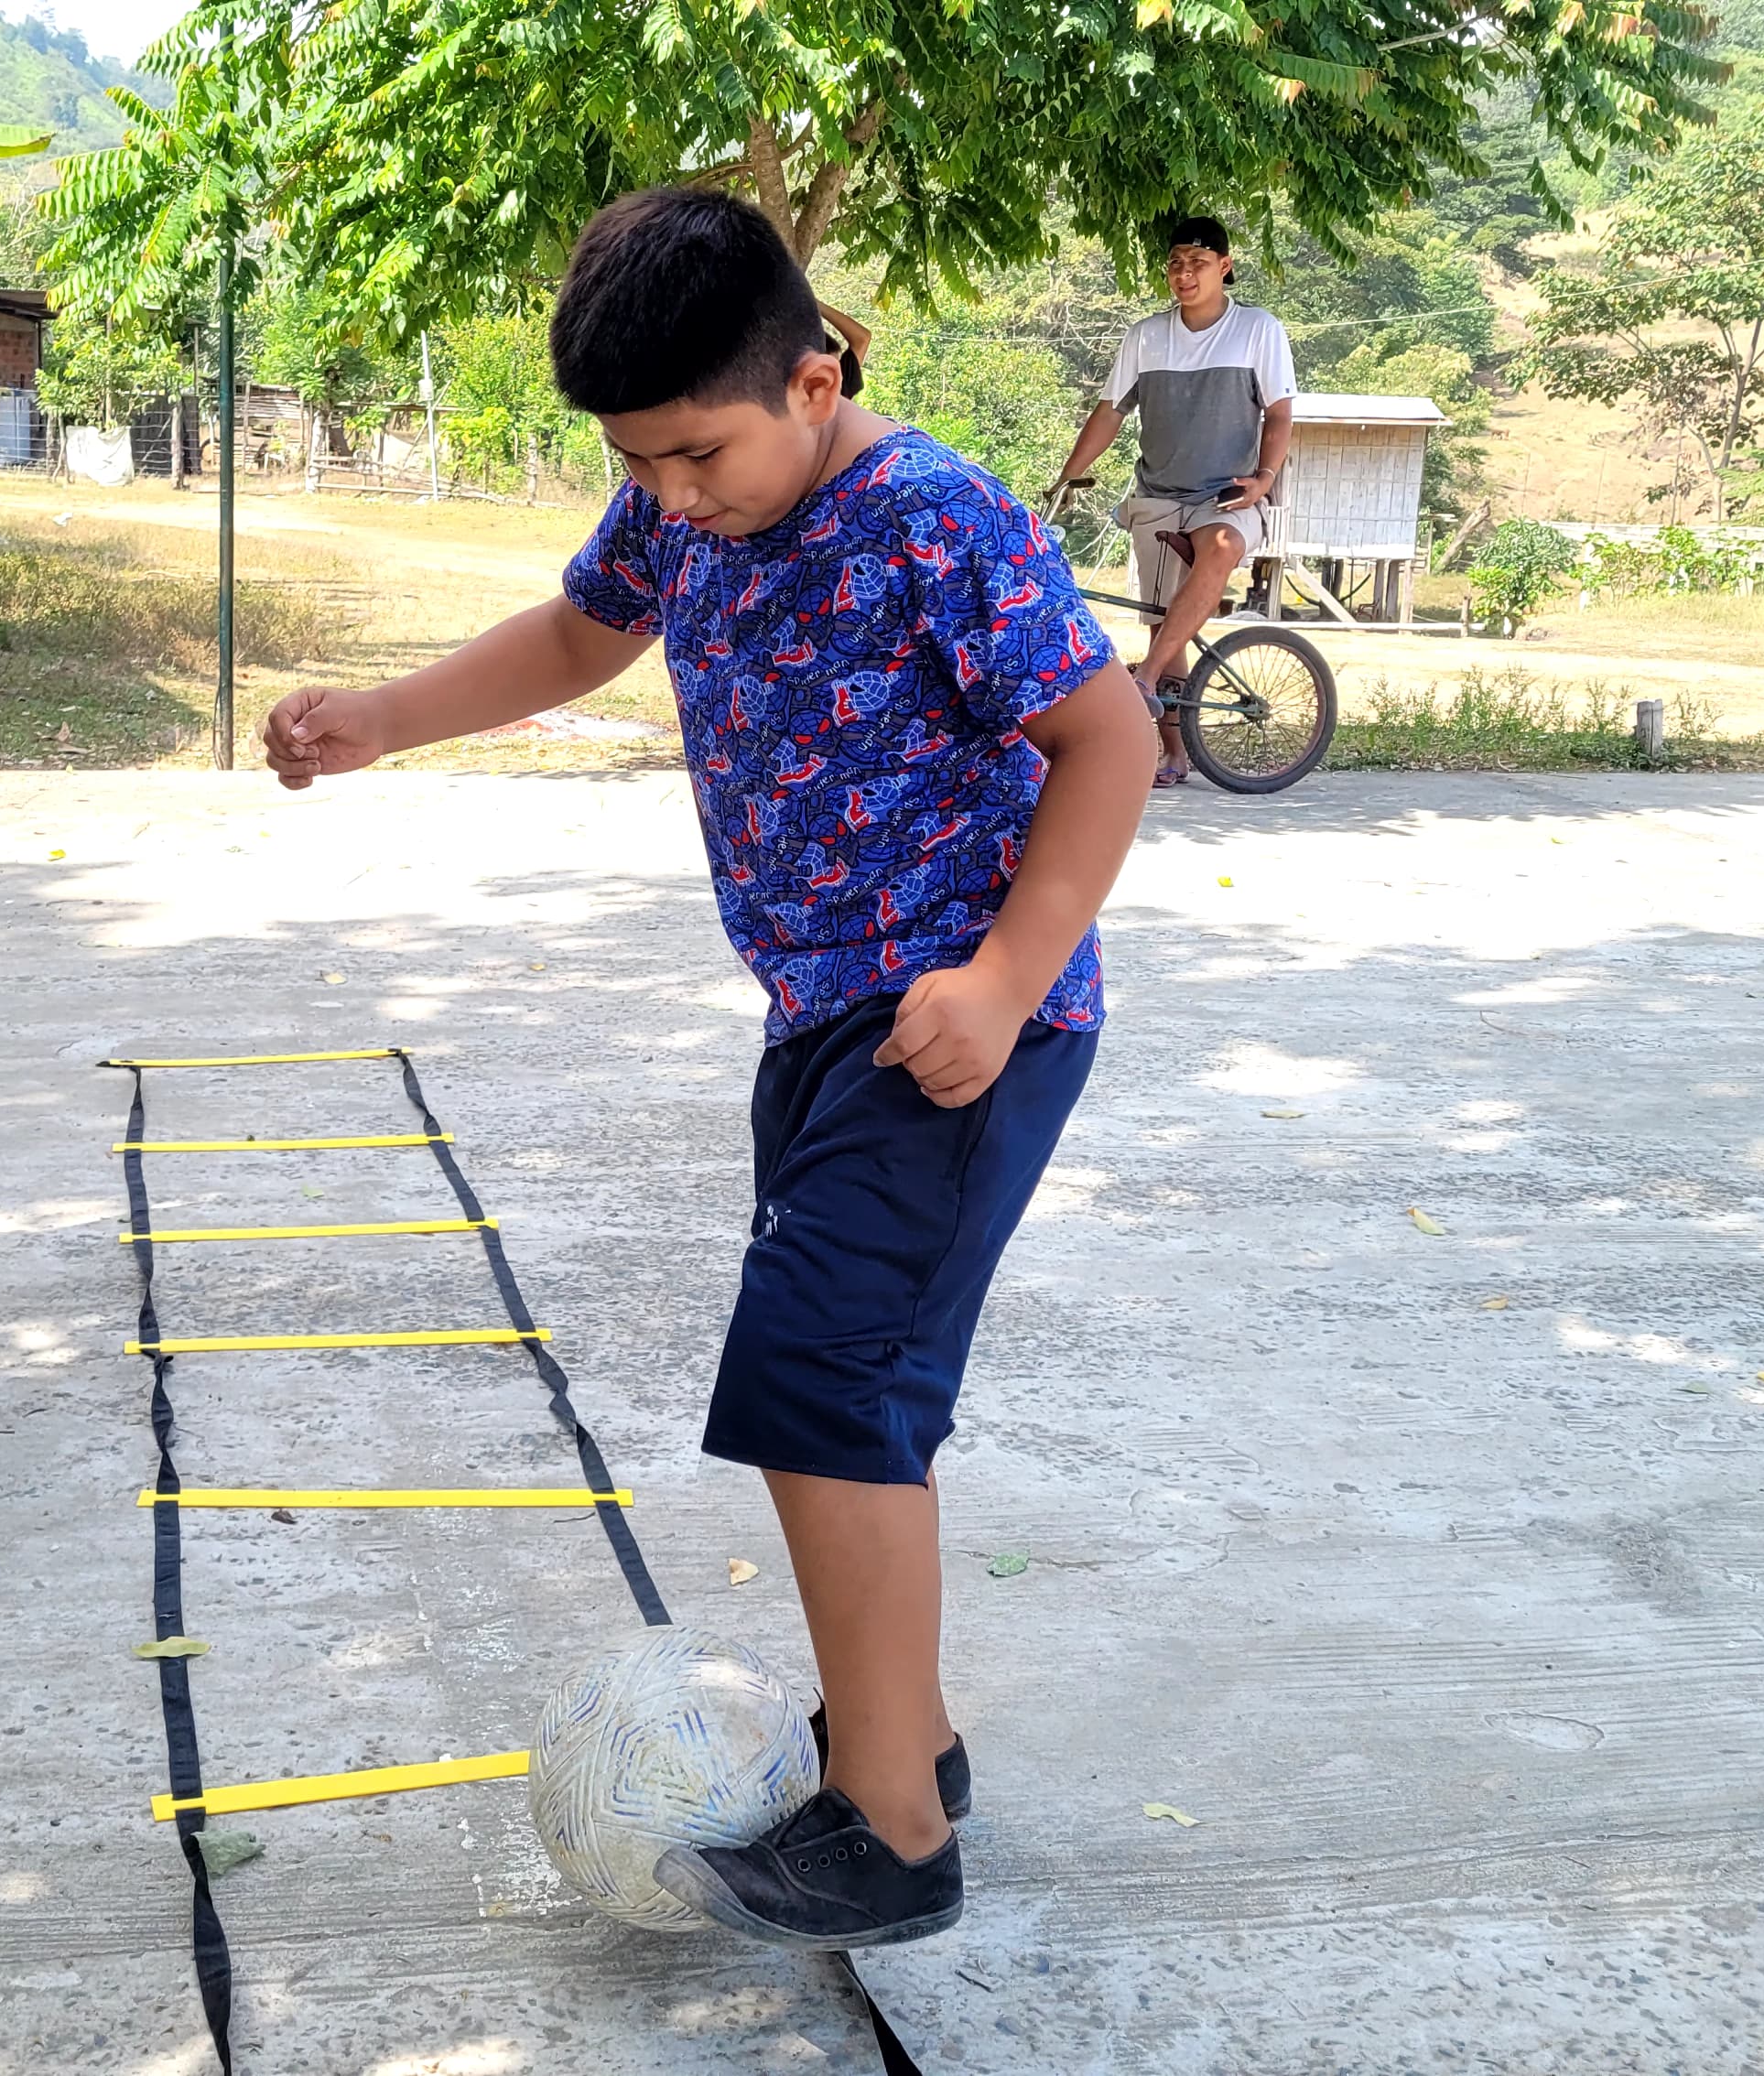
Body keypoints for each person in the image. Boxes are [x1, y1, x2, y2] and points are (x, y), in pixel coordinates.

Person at [260, 188, 1149, 1949]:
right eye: (635, 461)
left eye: (694, 454)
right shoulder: (682, 504)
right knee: (854, 1397)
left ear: (815, 381)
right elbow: (582, 630)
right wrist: (382, 717)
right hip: (818, 1020)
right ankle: (913, 1739)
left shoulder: (934, 518)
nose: (669, 494)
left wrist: (1002, 975)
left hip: (958, 1026)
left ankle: (891, 1828)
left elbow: (1108, 738)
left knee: (823, 1379)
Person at [1051, 216, 1297, 786]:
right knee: (1165, 621)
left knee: (1221, 546)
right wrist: (1066, 479)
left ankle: (1143, 680)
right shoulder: (1146, 336)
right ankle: (1175, 755)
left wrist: (1264, 478)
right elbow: (1110, 412)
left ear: (1224, 267)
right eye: (1176, 264)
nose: (1186, 274)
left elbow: (1281, 413)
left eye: (1199, 263)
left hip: (1228, 496)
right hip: (1158, 496)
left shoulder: (1257, 329)